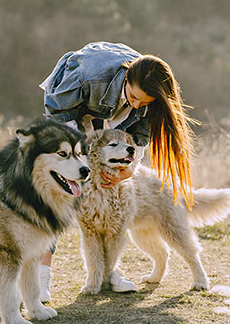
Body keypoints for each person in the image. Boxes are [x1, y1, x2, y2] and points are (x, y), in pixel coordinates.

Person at [37, 41, 196, 301]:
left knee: (110, 201)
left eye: (143, 103)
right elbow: (59, 121)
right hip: (70, 112)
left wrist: (128, 170)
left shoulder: (147, 92)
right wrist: (79, 163)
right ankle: (41, 277)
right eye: (133, 97)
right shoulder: (90, 76)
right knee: (57, 196)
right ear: (127, 79)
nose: (136, 106)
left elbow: (139, 140)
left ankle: (110, 272)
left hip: (109, 121)